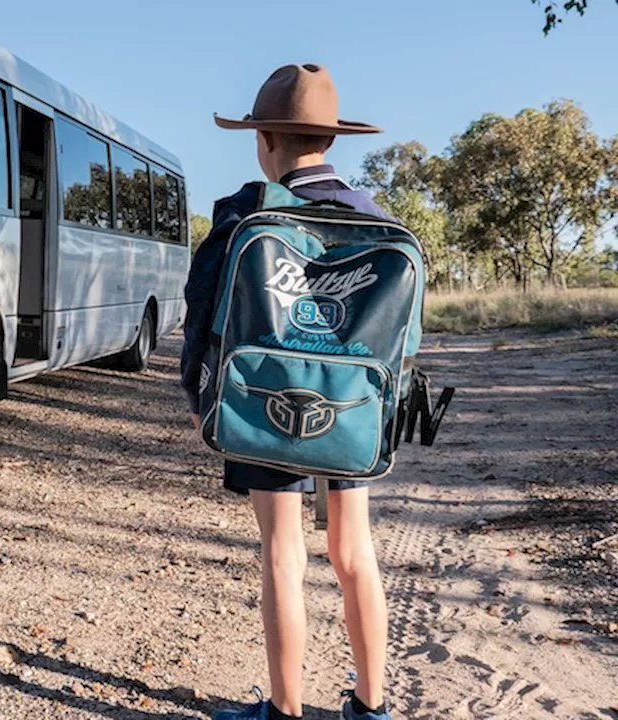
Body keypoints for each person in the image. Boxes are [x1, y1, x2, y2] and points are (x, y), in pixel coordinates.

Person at [180, 64, 395, 720]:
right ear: (329, 141)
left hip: (262, 403)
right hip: (353, 408)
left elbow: (201, 317)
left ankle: (285, 709)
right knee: (354, 550)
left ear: (265, 140)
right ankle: (372, 705)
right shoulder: (378, 222)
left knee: (282, 549)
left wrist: (205, 401)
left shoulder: (248, 213)